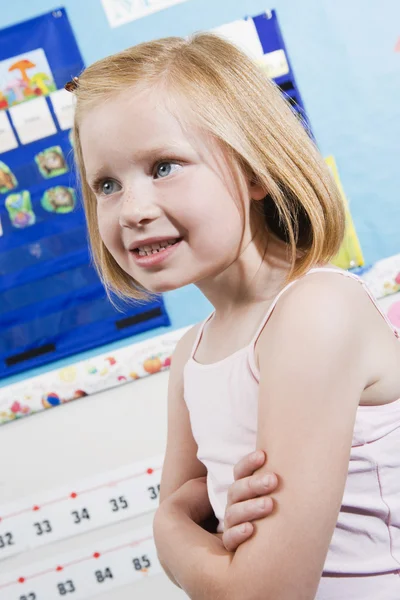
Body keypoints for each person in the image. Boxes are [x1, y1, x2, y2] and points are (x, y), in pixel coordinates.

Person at [68, 32, 400, 599]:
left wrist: (170, 531)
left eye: (165, 166)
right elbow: (197, 511)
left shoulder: (313, 312)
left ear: (255, 171)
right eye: (107, 184)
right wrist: (193, 523)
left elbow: (261, 590)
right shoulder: (191, 354)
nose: (133, 210)